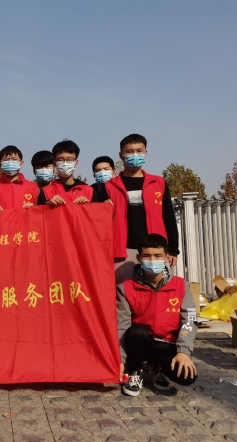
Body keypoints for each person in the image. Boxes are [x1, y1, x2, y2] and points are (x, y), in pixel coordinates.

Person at [117, 234, 197, 397]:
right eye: (147, 255)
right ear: (139, 258)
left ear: (166, 257)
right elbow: (121, 325)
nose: (152, 260)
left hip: (167, 344)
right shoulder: (125, 288)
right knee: (136, 332)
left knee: (187, 377)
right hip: (140, 342)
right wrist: (120, 359)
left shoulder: (181, 286)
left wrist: (184, 352)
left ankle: (159, 368)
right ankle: (135, 371)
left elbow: (189, 320)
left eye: (158, 255)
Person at [105, 134, 179, 283]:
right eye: (129, 151)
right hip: (123, 252)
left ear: (146, 153)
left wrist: (172, 250)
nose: (135, 155)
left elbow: (168, 217)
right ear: (121, 155)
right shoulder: (109, 186)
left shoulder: (158, 183)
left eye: (139, 151)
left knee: (157, 291)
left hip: (155, 251)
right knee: (123, 292)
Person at [0, 145, 39, 213]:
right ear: (0, 164)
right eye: (6, 160)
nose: (10, 162)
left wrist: (34, 209)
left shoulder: (33, 187)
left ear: (21, 163)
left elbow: (41, 213)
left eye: (14, 159)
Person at [37, 140, 97, 205]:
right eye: (60, 160)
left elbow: (97, 210)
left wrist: (88, 206)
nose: (65, 163)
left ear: (76, 163)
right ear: (54, 163)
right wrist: (47, 206)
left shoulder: (89, 191)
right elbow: (39, 211)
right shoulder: (45, 192)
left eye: (70, 159)